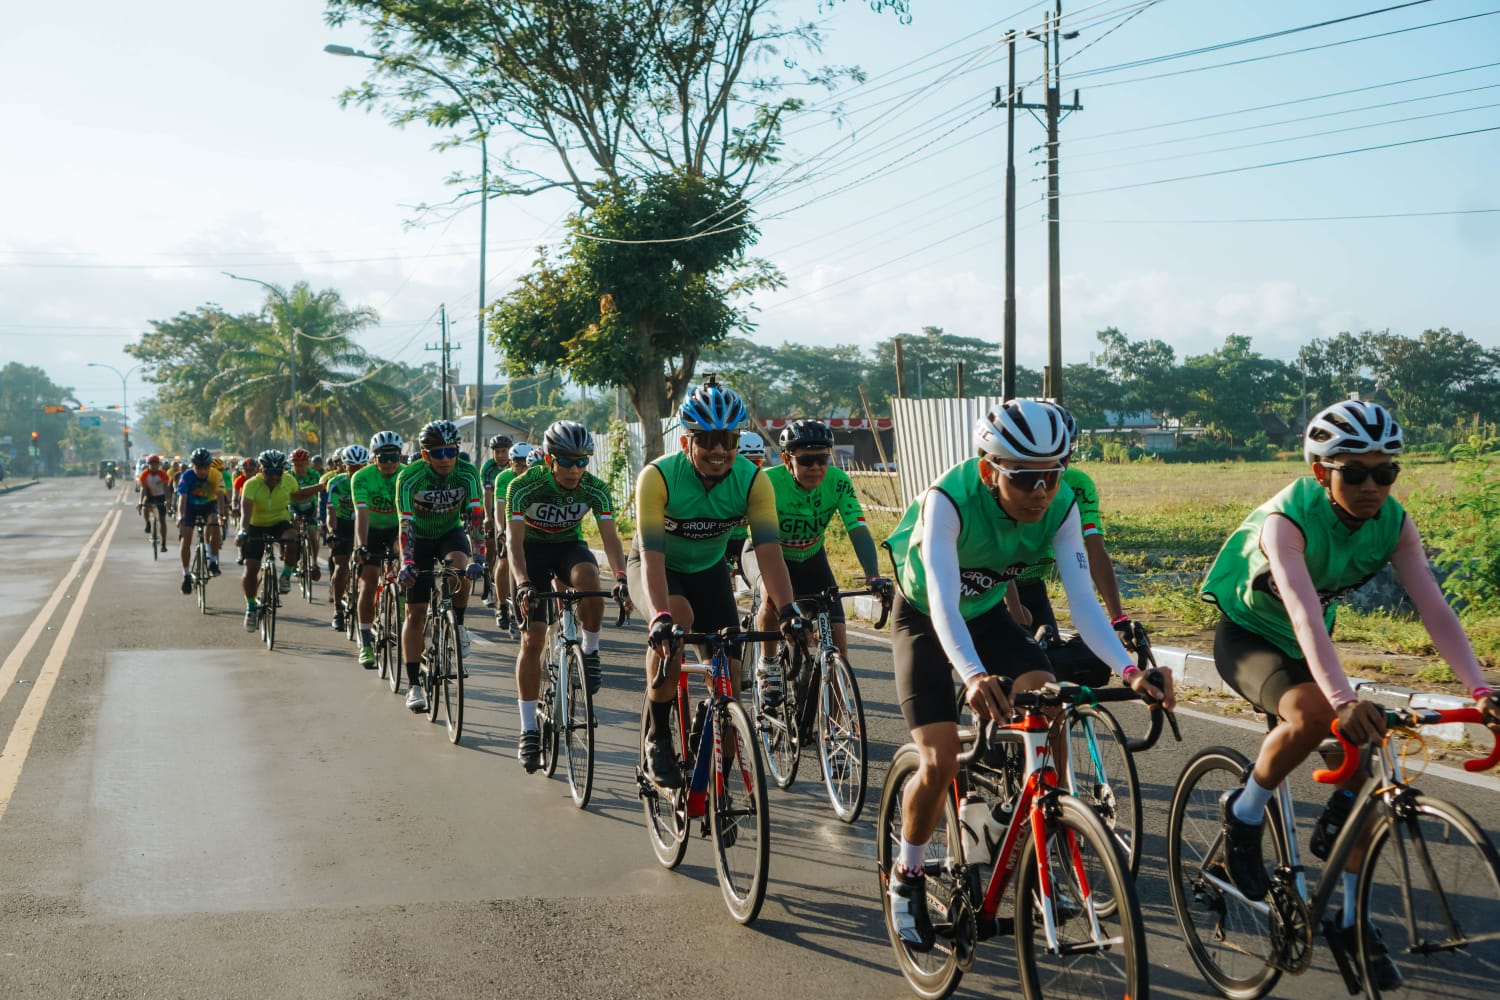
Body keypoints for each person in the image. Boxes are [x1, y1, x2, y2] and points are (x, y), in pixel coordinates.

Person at [1201, 398, 1500, 986]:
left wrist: (1481, 687)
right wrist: (1341, 699)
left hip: (1313, 644)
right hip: (1253, 636)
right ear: (1321, 472)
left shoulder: (1394, 522)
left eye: (1385, 472)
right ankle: (1244, 812)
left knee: (1367, 779)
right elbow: (1305, 613)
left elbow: (1433, 607)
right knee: (1315, 715)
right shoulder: (1285, 522)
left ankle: (1349, 918)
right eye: (1354, 472)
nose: (1372, 485)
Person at [881, 398, 1173, 951]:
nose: (1042, 491)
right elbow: (942, 603)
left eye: (1053, 475)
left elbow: (1083, 606)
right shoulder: (949, 500)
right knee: (939, 756)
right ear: (990, 470)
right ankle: (908, 873)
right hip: (924, 614)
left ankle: (1041, 830)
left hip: (987, 612)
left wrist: (1132, 671)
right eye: (1026, 478)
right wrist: (970, 674)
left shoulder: (1059, 506)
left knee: (1047, 699)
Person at [628, 376, 810, 788]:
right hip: (658, 568)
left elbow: (769, 551)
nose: (719, 450)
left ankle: (717, 789)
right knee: (676, 619)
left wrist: (787, 611)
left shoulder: (751, 480)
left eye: (729, 439)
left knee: (728, 681)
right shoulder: (657, 477)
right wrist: (658, 618)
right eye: (707, 439)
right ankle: (657, 737)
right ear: (686, 443)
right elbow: (653, 557)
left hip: (709, 573)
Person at [507, 421, 630, 771]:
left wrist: (621, 578)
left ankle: (589, 652)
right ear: (549, 460)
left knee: (590, 579)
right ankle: (529, 728)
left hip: (567, 549)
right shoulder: (522, 486)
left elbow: (610, 540)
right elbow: (512, 543)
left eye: (582, 461)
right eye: (566, 461)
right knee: (532, 640)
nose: (575, 469)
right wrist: (523, 582)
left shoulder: (595, 488)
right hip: (530, 553)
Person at [743, 418, 892, 706]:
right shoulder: (768, 482)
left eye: (822, 459)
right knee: (771, 599)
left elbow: (857, 528)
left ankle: (836, 729)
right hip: (769, 553)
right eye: (807, 460)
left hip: (811, 557)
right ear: (787, 460)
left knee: (837, 639)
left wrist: (872, 575)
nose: (816, 467)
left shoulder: (838, 482)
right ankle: (769, 662)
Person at [394, 420, 486, 712]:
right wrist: (407, 561)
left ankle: (457, 626)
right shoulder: (410, 478)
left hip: (449, 533)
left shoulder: (468, 473)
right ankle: (413, 685)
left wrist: (479, 557)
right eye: (438, 453)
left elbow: (474, 518)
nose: (445, 458)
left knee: (460, 567)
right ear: (425, 455)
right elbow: (405, 523)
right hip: (418, 538)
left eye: (451, 451)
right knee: (416, 612)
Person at [238, 449, 327, 631]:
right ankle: (251, 608)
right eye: (269, 472)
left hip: (279, 521)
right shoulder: (251, 485)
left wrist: (320, 487)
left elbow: (299, 495)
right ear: (261, 470)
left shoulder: (288, 480)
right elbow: (245, 513)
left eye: (278, 472)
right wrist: (242, 531)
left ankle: (286, 575)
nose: (274, 477)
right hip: (256, 524)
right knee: (251, 568)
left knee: (293, 539)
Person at [351, 432, 405, 668]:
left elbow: (409, 515)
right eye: (384, 457)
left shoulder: (406, 474)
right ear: (374, 458)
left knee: (405, 557)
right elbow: (361, 516)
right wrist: (361, 546)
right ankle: (365, 644)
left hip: (398, 527)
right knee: (369, 581)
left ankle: (401, 601)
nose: (390, 462)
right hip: (370, 530)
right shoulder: (361, 477)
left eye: (394, 456)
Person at [325, 445, 369, 631]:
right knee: (341, 567)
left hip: (365, 524)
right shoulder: (335, 483)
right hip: (343, 525)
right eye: (353, 467)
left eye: (361, 467)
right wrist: (332, 532)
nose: (357, 471)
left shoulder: (371, 481)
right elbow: (331, 513)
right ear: (344, 467)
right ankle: (338, 610)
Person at [175, 448, 224, 592]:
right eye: (198, 467)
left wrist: (221, 515)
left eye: (205, 467)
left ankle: (213, 561)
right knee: (186, 538)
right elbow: (182, 498)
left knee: (214, 522)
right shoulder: (187, 476)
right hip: (190, 506)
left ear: (210, 466)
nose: (202, 471)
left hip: (208, 505)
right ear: (193, 466)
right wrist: (180, 516)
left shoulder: (215, 475)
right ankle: (186, 574)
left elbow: (220, 496)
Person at [480, 434, 514, 616]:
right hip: (493, 510)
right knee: (491, 549)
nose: (501, 455)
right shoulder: (488, 468)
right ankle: (489, 583)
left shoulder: (515, 465)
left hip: (511, 513)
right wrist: (488, 517)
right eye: (497, 452)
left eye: (504, 451)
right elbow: (487, 495)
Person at [288, 449, 323, 582]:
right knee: (295, 531)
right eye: (296, 465)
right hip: (294, 507)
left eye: (302, 464)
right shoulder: (288, 476)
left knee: (313, 535)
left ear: (308, 463)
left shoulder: (315, 475)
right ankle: (297, 560)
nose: (300, 468)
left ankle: (314, 562)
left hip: (310, 507)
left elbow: (321, 492)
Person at [138, 455, 171, 538]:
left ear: (159, 465)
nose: (154, 466)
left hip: (161, 496)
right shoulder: (144, 474)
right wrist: (140, 502)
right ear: (148, 465)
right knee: (145, 508)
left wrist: (168, 500)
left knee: (162, 520)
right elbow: (143, 489)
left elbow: (166, 488)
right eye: (151, 464)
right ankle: (148, 523)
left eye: (156, 464)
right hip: (150, 496)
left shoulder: (162, 474)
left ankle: (163, 542)